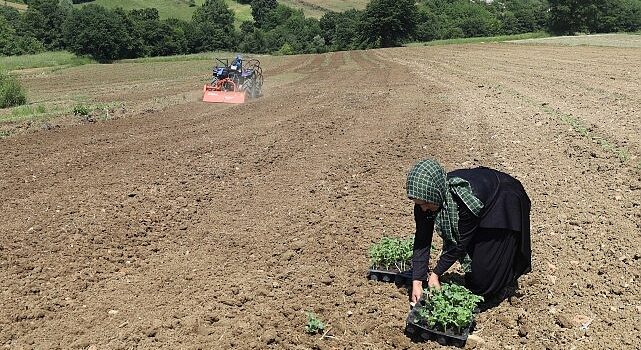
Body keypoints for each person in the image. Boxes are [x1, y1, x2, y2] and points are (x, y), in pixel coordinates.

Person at [406, 159, 531, 304]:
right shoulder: (424, 199)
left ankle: (506, 273)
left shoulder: (464, 199)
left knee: (483, 284)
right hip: (479, 208)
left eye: (426, 203)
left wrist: (435, 274)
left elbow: (459, 242)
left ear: (436, 193)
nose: (423, 208)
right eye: (419, 204)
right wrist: (417, 280)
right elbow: (422, 240)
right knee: (476, 269)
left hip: (503, 200)